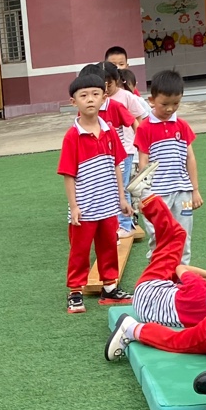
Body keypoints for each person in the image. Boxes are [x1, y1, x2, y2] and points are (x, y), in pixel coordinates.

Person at [58, 67, 131, 313]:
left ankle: (109, 287)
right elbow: (68, 174)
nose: (90, 99)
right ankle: (75, 292)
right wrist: (74, 207)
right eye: (84, 95)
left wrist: (122, 199)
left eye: (95, 94)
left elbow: (117, 166)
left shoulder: (109, 131)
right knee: (80, 252)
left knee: (109, 247)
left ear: (104, 98)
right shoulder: (72, 136)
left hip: (108, 206)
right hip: (85, 209)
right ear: (73, 102)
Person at [105, 252, 206, 358]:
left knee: (175, 240)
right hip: (150, 310)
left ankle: (151, 208)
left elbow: (180, 268)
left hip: (147, 290)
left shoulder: (198, 285)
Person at [131, 68, 201, 262]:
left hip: (183, 192)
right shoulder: (145, 127)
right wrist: (144, 196)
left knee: (184, 235)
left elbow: (190, 158)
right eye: (165, 104)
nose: (170, 109)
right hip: (157, 194)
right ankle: (157, 274)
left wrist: (195, 190)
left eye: (176, 103)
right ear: (151, 100)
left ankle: (181, 274)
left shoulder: (182, 126)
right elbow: (143, 162)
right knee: (159, 237)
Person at [100, 62, 145, 237]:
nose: (106, 89)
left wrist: (140, 143)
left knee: (123, 186)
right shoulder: (97, 99)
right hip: (104, 153)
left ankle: (126, 225)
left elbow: (138, 119)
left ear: (117, 81)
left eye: (109, 84)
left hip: (125, 149)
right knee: (109, 187)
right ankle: (114, 222)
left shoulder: (125, 97)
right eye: (102, 85)